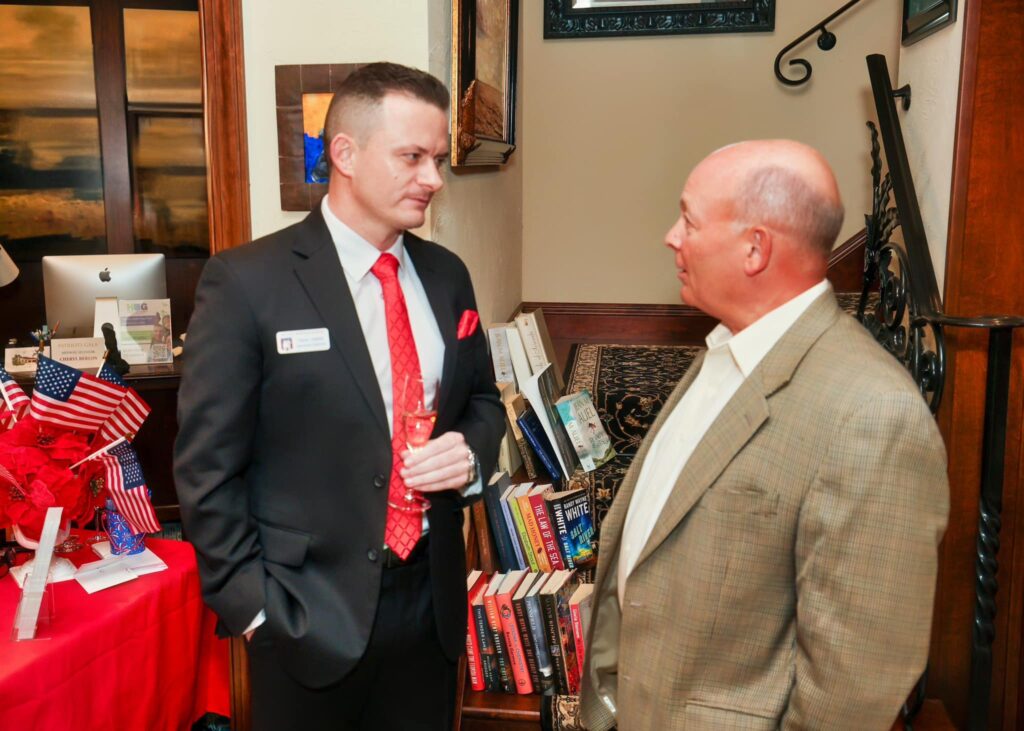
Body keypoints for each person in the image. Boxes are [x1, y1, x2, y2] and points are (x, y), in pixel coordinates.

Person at [174, 62, 504, 730]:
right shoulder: (248, 282)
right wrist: (256, 609)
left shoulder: (447, 276)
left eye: (437, 158)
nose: (434, 179)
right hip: (304, 618)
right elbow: (206, 467)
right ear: (345, 155)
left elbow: (485, 402)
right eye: (412, 157)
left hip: (431, 608)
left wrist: (467, 453)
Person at [579, 140, 949, 730]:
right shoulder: (728, 346)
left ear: (755, 249)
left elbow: (853, 691)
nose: (671, 237)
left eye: (689, 221)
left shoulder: (874, 416)